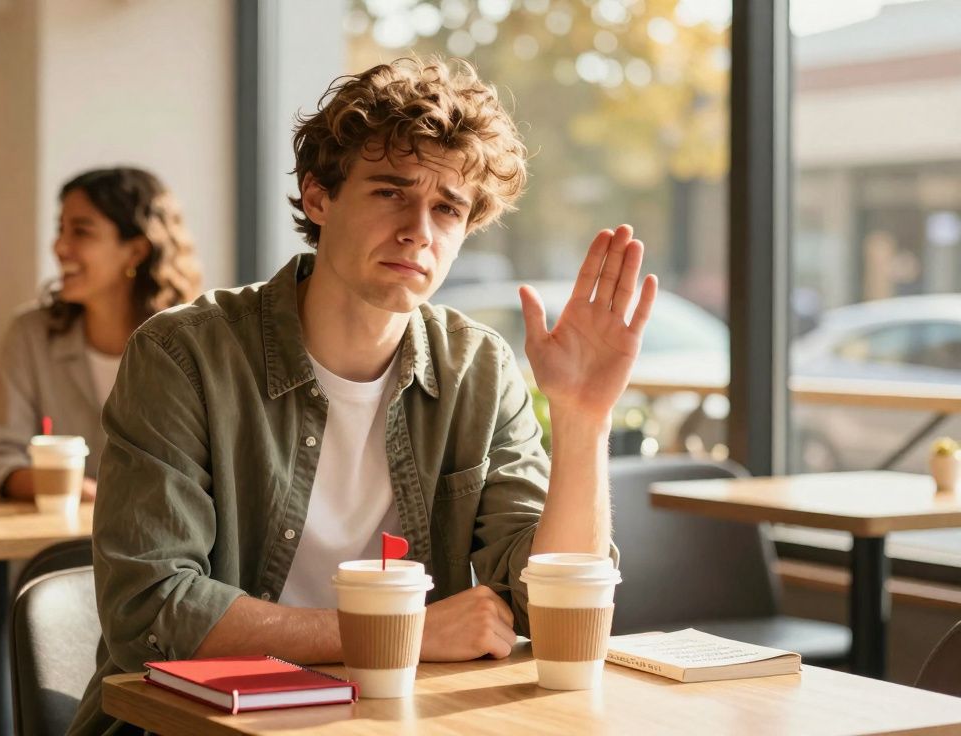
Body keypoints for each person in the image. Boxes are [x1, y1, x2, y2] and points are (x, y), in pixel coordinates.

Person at [68, 56, 657, 735]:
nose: (419, 230)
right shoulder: (184, 355)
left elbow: (545, 608)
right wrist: (400, 632)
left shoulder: (477, 369)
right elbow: (152, 612)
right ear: (318, 197)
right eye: (390, 192)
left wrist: (583, 418)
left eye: (448, 208)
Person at [0, 167, 202, 501]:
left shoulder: (192, 342)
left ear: (135, 251)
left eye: (81, 232)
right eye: (60, 229)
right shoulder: (31, 335)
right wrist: (69, 489)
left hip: (162, 549)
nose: (60, 246)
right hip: (55, 549)